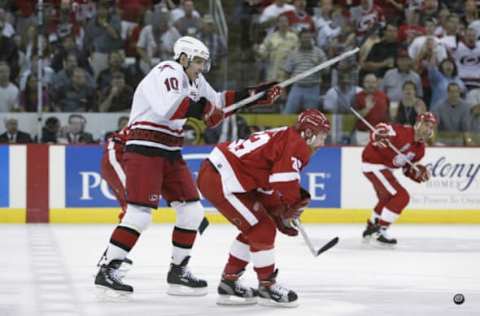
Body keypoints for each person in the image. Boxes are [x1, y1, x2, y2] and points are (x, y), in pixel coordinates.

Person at [94, 36, 282, 296]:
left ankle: (178, 270)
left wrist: (255, 95)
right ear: (182, 57)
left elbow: (217, 101)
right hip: (144, 148)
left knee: (192, 213)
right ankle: (107, 269)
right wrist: (205, 109)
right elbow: (170, 108)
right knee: (139, 214)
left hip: (170, 150)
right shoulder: (166, 71)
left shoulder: (195, 80)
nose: (202, 68)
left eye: (204, 63)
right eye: (198, 62)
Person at [197, 109, 330, 307]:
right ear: (308, 134)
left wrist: (278, 212)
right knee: (262, 229)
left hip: (225, 174)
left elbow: (268, 183)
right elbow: (283, 180)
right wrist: (293, 204)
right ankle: (266, 286)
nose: (322, 143)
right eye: (321, 136)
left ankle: (229, 283)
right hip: (221, 178)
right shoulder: (297, 145)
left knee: (257, 229)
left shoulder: (288, 137)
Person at [361, 112, 437, 246]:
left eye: (431, 127)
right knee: (401, 197)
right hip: (373, 164)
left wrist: (416, 173)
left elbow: (406, 168)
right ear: (418, 123)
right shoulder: (401, 132)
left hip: (384, 169)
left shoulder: (420, 150)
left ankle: (371, 227)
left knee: (387, 199)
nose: (429, 129)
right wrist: (379, 135)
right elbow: (379, 129)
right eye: (426, 125)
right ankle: (380, 230)